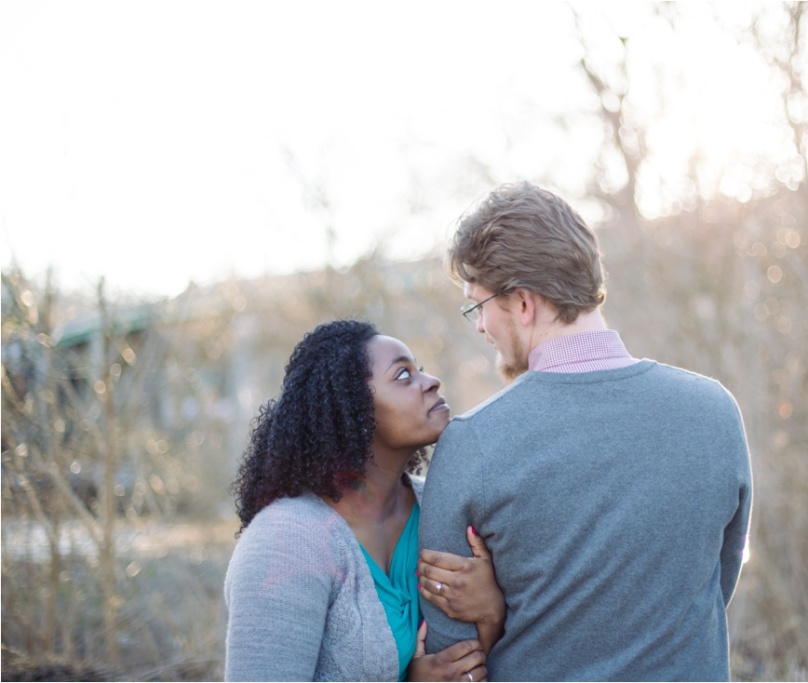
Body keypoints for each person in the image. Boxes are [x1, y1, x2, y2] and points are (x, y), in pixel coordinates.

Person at [417, 182, 753, 681]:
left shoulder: (473, 445)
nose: (480, 325)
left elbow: (455, 664)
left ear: (524, 303)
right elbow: (713, 589)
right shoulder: (715, 411)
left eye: (478, 304)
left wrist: (500, 610)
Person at [224, 319, 504, 682]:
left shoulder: (439, 505)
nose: (431, 380)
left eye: (420, 368)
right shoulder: (286, 542)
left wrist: (492, 612)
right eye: (403, 375)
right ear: (351, 409)